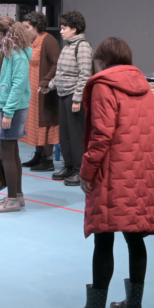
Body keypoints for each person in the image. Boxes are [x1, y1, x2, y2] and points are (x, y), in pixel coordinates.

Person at [70, 37, 154, 308]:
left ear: (103, 60)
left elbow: (101, 134)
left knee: (104, 238)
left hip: (112, 170)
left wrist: (87, 170)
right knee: (135, 236)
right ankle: (133, 305)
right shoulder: (143, 85)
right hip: (142, 169)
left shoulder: (103, 86)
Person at [0, 18, 32, 213]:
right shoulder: (4, 52)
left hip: (11, 109)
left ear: (1, 33)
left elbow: (18, 85)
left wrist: (8, 112)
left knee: (6, 154)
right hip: (5, 107)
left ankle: (12, 200)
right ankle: (17, 195)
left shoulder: (17, 55)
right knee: (12, 153)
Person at [48, 11, 93, 186]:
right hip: (63, 94)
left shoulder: (82, 47)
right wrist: (49, 86)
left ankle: (80, 170)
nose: (61, 31)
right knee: (65, 134)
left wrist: (77, 99)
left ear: (74, 29)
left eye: (64, 28)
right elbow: (61, 73)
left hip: (74, 98)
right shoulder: (67, 46)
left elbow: (85, 75)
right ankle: (69, 166)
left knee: (76, 135)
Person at [20, 11, 60, 172]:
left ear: (36, 26)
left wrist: (46, 81)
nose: (25, 30)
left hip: (43, 91)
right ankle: (38, 155)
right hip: (31, 91)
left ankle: (48, 159)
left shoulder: (48, 40)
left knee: (45, 122)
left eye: (27, 27)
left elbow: (57, 63)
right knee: (34, 123)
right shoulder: (30, 42)